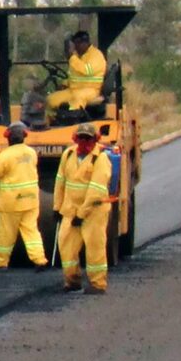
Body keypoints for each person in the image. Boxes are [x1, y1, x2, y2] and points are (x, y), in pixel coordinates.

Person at [52, 121, 113, 294]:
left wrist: (82, 213)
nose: (84, 142)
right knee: (66, 246)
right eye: (81, 138)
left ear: (95, 140)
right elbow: (60, 181)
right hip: (70, 210)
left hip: (93, 212)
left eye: (88, 139)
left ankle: (97, 284)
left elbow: (97, 190)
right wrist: (57, 207)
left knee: (95, 248)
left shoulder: (101, 158)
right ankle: (72, 280)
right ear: (75, 139)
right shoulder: (68, 155)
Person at [0, 122, 48, 271]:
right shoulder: (31, 153)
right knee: (31, 231)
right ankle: (40, 260)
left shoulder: (5, 155)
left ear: (8, 138)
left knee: (5, 234)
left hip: (11, 202)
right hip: (31, 200)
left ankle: (0, 263)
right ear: (24, 136)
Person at [47, 30, 107, 114]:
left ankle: (72, 119)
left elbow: (86, 70)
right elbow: (74, 75)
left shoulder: (96, 55)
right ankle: (52, 121)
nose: (75, 48)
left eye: (76, 45)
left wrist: (72, 57)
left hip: (91, 91)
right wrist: (65, 83)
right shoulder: (79, 56)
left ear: (84, 43)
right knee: (51, 99)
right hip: (74, 89)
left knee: (78, 98)